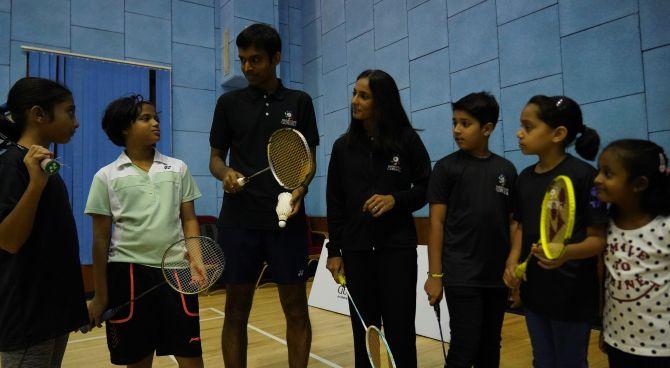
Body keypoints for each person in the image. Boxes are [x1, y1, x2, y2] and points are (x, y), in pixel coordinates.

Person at [209, 23, 318, 368]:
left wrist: (300, 188)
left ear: (276, 58)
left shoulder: (299, 102)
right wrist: (225, 173)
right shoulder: (228, 103)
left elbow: (308, 161)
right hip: (239, 221)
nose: (247, 68)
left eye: (255, 60)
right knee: (236, 310)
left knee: (296, 309)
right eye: (242, 60)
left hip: (287, 219)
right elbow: (215, 158)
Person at [85, 95, 203, 368]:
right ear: (124, 127)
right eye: (145, 118)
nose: (155, 123)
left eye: (156, 117)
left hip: (177, 273)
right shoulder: (106, 176)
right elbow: (100, 239)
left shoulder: (177, 168)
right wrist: (100, 296)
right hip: (127, 275)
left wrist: (196, 260)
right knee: (137, 359)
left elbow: (189, 220)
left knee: (191, 356)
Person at [325, 69, 431, 367]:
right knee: (364, 332)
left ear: (381, 102)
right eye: (354, 93)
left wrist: (395, 199)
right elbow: (335, 203)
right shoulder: (341, 148)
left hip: (397, 251)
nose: (354, 101)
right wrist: (335, 251)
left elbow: (426, 188)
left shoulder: (407, 140)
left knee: (400, 332)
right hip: (357, 253)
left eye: (364, 95)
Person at [502, 95, 608, 368]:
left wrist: (563, 252)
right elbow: (522, 228)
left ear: (558, 134)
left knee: (571, 362)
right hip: (535, 294)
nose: (519, 132)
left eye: (528, 126)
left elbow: (598, 240)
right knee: (543, 361)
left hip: (573, 296)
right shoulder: (524, 179)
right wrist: (513, 261)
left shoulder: (586, 176)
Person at [424, 92, 517, 367]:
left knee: (491, 346)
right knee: (465, 346)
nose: (456, 130)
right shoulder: (445, 168)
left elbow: (513, 223)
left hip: (496, 277)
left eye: (465, 123)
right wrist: (435, 275)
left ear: (487, 128)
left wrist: (514, 270)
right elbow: (436, 224)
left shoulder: (506, 170)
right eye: (455, 122)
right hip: (461, 274)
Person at [0, 77, 87, 367]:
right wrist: (35, 185)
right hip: (28, 320)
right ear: (39, 114)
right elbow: (9, 240)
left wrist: (74, 308)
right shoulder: (12, 165)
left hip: (51, 314)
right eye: (70, 112)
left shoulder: (45, 167)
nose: (76, 123)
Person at [594, 139, 670, 368]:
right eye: (599, 171)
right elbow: (608, 280)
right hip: (619, 340)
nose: (597, 179)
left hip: (662, 346)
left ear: (639, 184)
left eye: (608, 174)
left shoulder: (665, 227)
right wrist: (605, 327)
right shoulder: (608, 225)